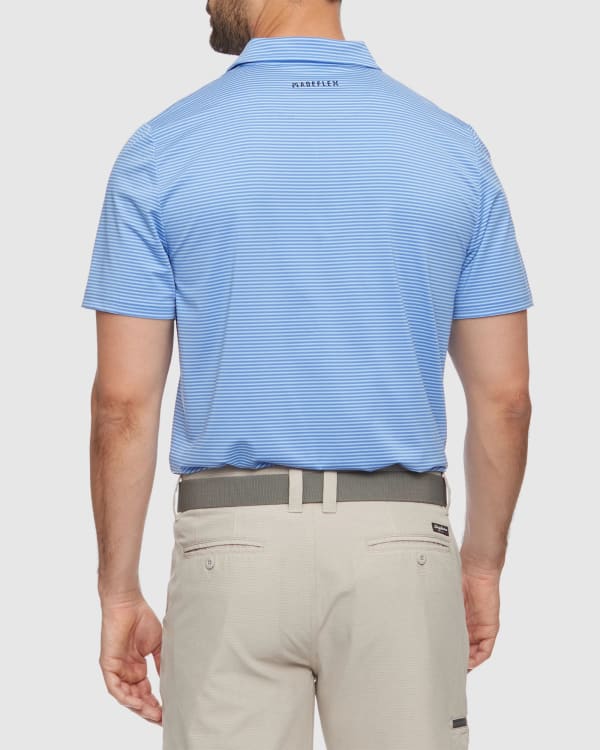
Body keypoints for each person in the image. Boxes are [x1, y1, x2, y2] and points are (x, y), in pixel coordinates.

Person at [81, 1, 533, 748]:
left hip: (230, 549)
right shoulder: (450, 149)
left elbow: (123, 405)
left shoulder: (163, 148)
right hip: (401, 546)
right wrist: (480, 567)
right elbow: (506, 399)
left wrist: (118, 591)